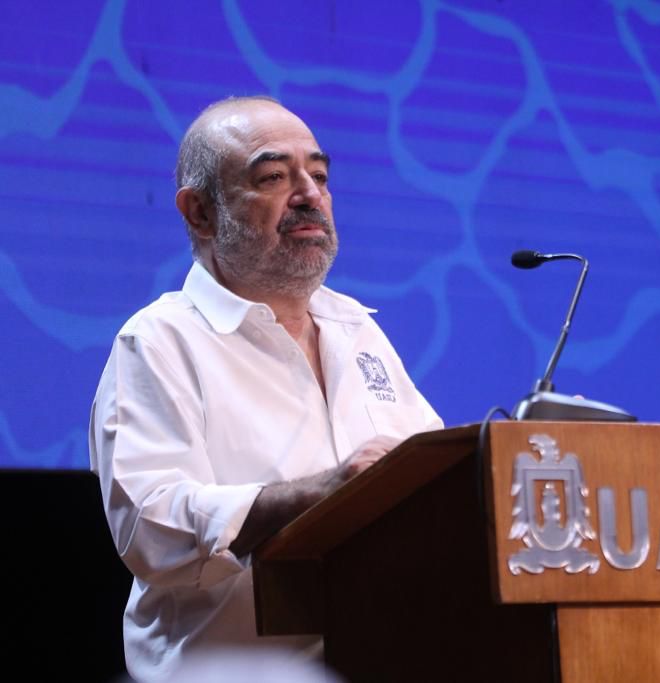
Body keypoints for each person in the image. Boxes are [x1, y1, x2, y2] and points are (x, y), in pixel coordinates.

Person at [89, 96, 442, 682]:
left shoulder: (356, 328)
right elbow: (150, 526)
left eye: (319, 176)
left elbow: (430, 479)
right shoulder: (159, 341)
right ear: (200, 212)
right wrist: (322, 492)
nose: (309, 195)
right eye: (274, 177)